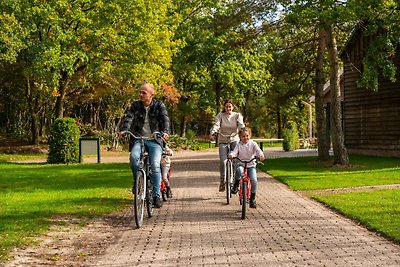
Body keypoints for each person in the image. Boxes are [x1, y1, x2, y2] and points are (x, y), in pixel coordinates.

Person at [120, 83, 170, 208]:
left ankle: (156, 195)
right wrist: (124, 129)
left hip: (155, 140)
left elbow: (165, 120)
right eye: (140, 92)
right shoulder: (135, 105)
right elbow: (128, 118)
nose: (141, 95)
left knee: (155, 164)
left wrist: (165, 132)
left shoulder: (159, 105)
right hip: (139, 139)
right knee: (133, 158)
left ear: (151, 95)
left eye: (144, 93)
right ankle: (138, 181)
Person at [210, 99, 245, 192]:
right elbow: (217, 125)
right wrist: (214, 131)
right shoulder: (220, 115)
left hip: (234, 139)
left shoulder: (237, 115)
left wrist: (243, 130)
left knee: (235, 160)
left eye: (230, 106)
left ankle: (234, 180)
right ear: (224, 107)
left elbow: (241, 125)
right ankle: (222, 181)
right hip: (223, 140)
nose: (228, 108)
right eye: (226, 107)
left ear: (233, 107)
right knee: (223, 161)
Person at [228, 127, 265, 208]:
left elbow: (258, 150)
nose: (245, 138)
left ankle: (252, 198)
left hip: (251, 165)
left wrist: (261, 155)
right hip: (241, 164)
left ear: (250, 135)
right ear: (240, 137)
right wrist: (231, 155)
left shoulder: (253, 144)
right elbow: (234, 152)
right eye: (243, 136)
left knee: (254, 180)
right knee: (238, 170)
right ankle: (236, 184)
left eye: (247, 136)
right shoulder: (239, 145)